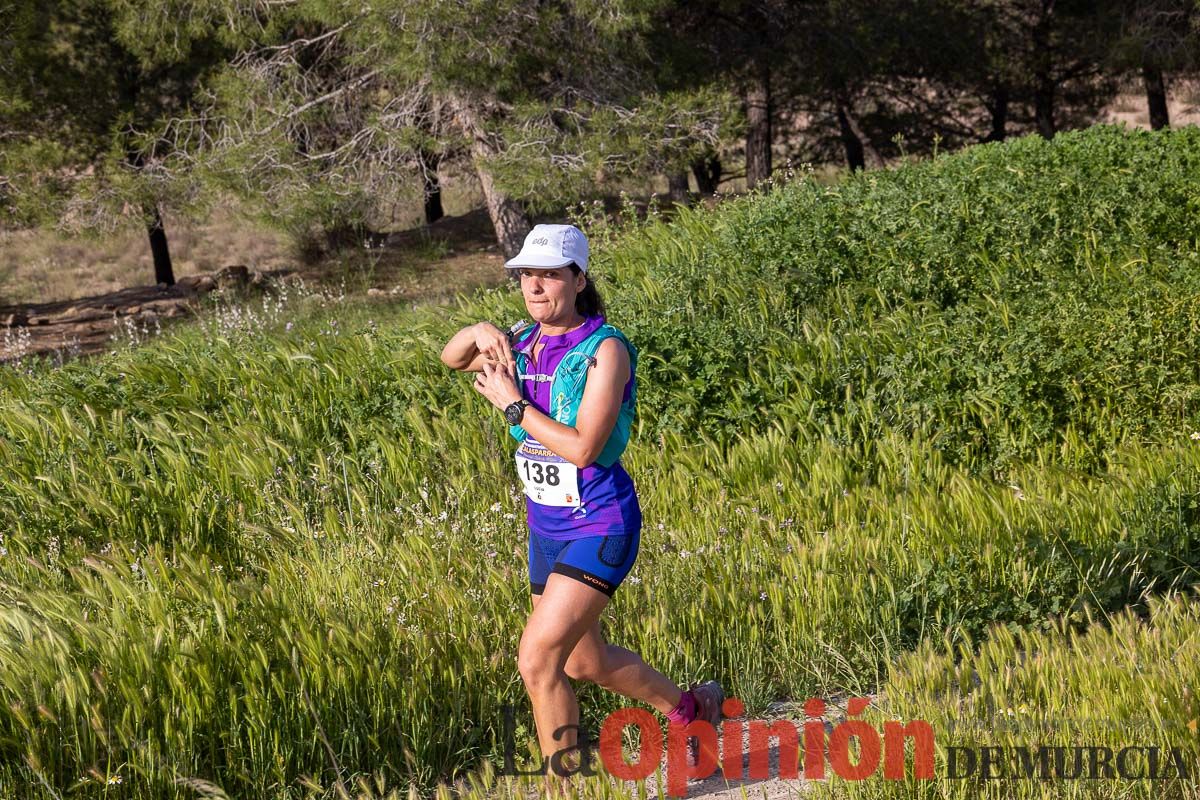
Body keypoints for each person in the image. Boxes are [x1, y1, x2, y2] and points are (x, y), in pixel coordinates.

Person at [440, 223, 724, 796]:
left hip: (600, 523)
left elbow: (584, 448)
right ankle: (691, 709)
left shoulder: (605, 350)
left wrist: (514, 406)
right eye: (526, 275)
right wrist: (476, 330)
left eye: (549, 274)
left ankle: (562, 789)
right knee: (581, 663)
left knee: (538, 658)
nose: (535, 286)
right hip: (544, 526)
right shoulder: (520, 340)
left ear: (579, 279)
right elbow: (452, 360)